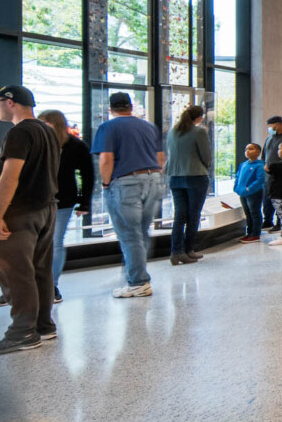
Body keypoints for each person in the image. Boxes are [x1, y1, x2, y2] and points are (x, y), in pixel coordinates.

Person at [0, 85, 60, 356]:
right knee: (39, 269)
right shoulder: (46, 130)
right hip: (45, 209)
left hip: (21, 210)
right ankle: (43, 325)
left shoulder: (19, 132)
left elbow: (9, 175)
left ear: (11, 102)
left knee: (15, 271)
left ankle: (22, 332)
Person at [91, 91, 165, 299]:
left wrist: (106, 185)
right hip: (153, 180)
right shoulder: (149, 126)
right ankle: (135, 273)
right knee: (141, 232)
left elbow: (106, 159)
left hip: (126, 183)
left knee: (128, 234)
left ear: (110, 109)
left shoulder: (108, 127)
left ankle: (138, 281)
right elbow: (160, 157)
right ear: (131, 107)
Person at [39, 110, 92, 302]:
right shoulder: (39, 143)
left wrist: (84, 202)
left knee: (55, 242)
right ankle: (37, 285)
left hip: (63, 200)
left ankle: (51, 286)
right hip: (37, 200)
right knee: (39, 243)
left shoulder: (75, 145)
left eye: (45, 122)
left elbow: (87, 174)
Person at [165, 104, 212, 266]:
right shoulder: (199, 131)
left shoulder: (173, 131)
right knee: (193, 216)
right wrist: (206, 166)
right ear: (199, 118)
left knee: (179, 216)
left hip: (175, 177)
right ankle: (188, 249)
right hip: (195, 176)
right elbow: (206, 155)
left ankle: (176, 251)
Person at [261, 116, 282, 231]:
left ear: (279, 124)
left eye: (271, 126)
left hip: (281, 174)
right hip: (268, 175)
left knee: (280, 201)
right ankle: (267, 220)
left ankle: (280, 223)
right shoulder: (269, 138)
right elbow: (264, 155)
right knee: (268, 199)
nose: (270, 128)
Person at [233, 143, 266, 243]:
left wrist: (249, 189)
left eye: (251, 149)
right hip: (242, 193)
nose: (247, 151)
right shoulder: (243, 165)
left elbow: (260, 180)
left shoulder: (260, 165)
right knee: (248, 213)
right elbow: (238, 177)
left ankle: (255, 234)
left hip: (254, 193)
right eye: (246, 149)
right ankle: (249, 232)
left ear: (258, 152)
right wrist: (236, 187)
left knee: (254, 212)